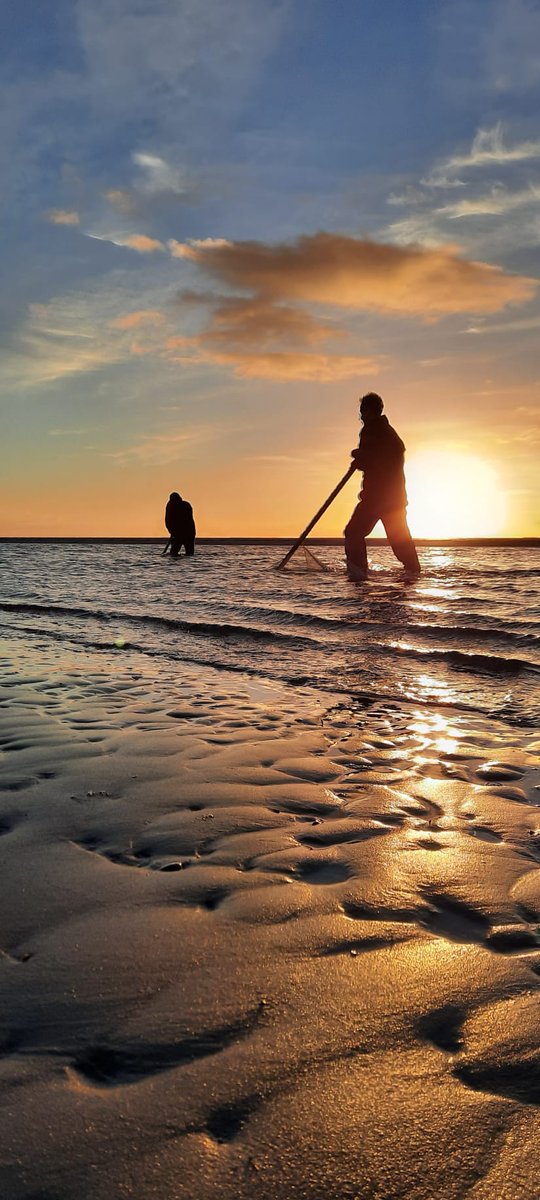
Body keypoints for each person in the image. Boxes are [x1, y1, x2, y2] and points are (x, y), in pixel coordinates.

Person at [344, 392, 420, 580]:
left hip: (377, 498)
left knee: (353, 532)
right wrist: (361, 456)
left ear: (370, 411)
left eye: (363, 412)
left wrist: (359, 457)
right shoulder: (389, 432)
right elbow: (376, 458)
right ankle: (414, 572)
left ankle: (358, 575)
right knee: (400, 542)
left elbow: (376, 461)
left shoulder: (372, 430)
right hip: (394, 499)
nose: (361, 416)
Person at [165, 492, 196, 557]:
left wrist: (172, 532)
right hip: (180, 533)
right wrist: (172, 532)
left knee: (188, 552)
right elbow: (168, 520)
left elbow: (188, 520)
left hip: (187, 533)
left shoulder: (184, 505)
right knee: (175, 552)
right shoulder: (172, 506)